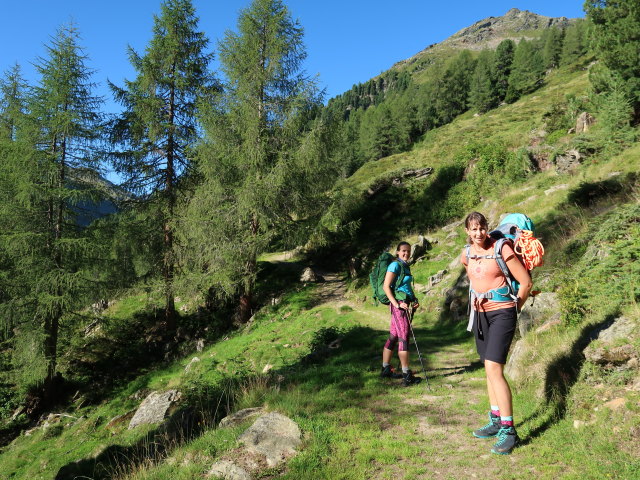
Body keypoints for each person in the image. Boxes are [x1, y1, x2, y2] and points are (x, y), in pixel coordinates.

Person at [461, 212, 532, 455]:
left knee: (494, 367)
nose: (478, 233)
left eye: (481, 228)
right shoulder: (467, 253)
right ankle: (495, 419)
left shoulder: (502, 248)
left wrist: (514, 309)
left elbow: (525, 282)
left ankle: (509, 430)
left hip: (502, 312)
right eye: (473, 229)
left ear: (486, 228)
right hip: (480, 314)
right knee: (488, 368)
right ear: (467, 232)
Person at [380, 241, 421, 387]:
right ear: (397, 252)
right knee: (404, 338)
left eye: (408, 251)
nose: (406, 253)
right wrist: (397, 304)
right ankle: (406, 374)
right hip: (399, 307)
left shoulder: (405, 266)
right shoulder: (395, 265)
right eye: (403, 251)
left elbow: (405, 287)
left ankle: (386, 368)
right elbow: (386, 287)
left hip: (404, 303)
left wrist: (413, 299)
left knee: (394, 336)